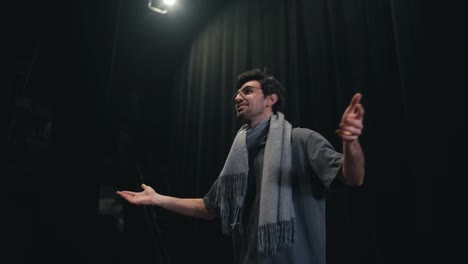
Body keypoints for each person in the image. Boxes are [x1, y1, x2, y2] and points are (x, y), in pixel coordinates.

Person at [117, 69, 365, 264]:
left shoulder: (300, 139)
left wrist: (350, 143)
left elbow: (352, 177)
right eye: (237, 94)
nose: (237, 97)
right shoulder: (238, 157)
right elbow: (208, 208)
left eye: (247, 91)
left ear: (271, 99)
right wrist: (157, 199)